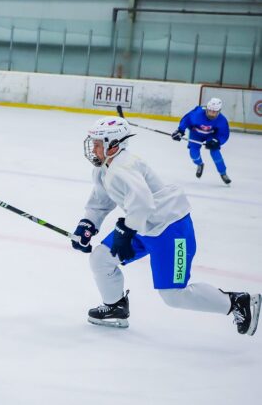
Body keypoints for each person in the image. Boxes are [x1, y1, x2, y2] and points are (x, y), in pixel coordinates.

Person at [71, 116, 260, 335]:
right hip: (143, 226)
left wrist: (126, 231)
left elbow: (142, 203)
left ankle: (237, 302)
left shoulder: (122, 168)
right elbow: (101, 201)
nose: (92, 149)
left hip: (171, 229)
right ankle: (115, 307)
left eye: (96, 143)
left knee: (173, 295)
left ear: (112, 146)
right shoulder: (105, 168)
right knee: (101, 258)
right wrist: (87, 225)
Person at [171, 97, 231, 184]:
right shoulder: (197, 113)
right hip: (195, 134)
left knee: (215, 153)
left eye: (214, 112)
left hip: (211, 136)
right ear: (207, 108)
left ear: (219, 111)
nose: (211, 113)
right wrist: (180, 131)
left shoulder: (222, 120)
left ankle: (223, 173)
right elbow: (186, 120)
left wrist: (217, 141)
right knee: (193, 153)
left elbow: (224, 134)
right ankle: (199, 164)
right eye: (210, 110)